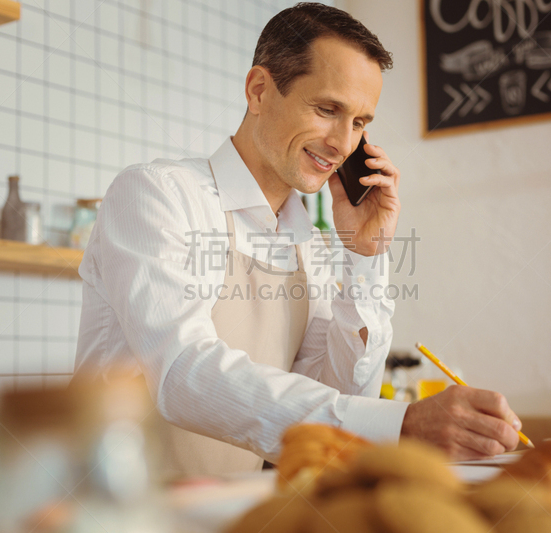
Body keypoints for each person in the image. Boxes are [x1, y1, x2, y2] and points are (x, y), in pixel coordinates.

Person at [73, 2, 522, 478]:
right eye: (328, 110)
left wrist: (364, 255)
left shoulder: (311, 243)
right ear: (259, 91)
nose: (343, 144)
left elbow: (342, 400)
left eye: (361, 122)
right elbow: (183, 373)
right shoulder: (156, 194)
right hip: (112, 510)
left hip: (228, 513)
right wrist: (402, 424)